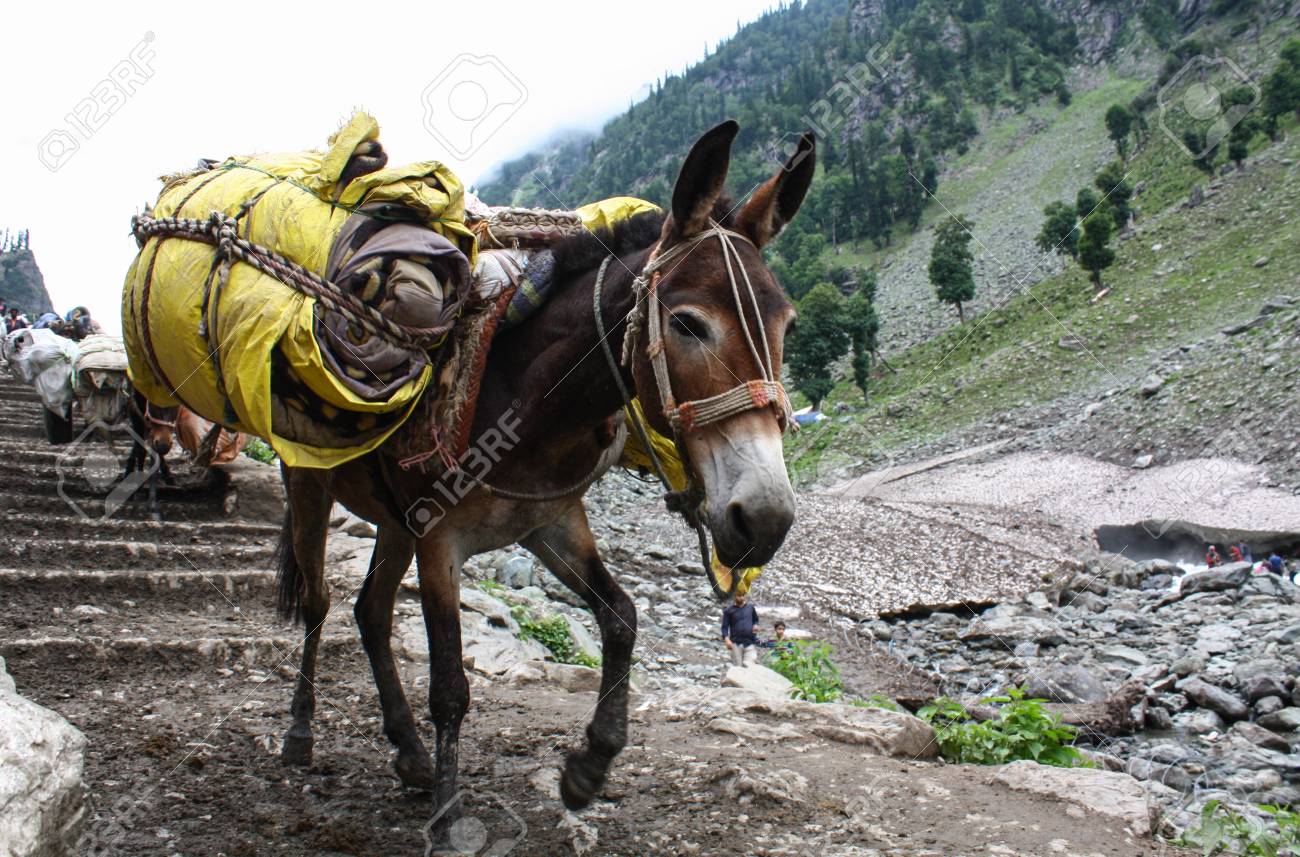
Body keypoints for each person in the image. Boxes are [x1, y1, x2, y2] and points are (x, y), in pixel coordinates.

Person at [721, 591, 760, 668]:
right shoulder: (729, 610)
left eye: (742, 595)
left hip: (750, 642)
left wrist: (755, 625)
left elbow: (755, 619)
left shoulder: (750, 607)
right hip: (735, 643)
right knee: (738, 668)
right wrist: (727, 640)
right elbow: (724, 627)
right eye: (739, 596)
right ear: (734, 596)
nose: (741, 597)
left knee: (750, 665)